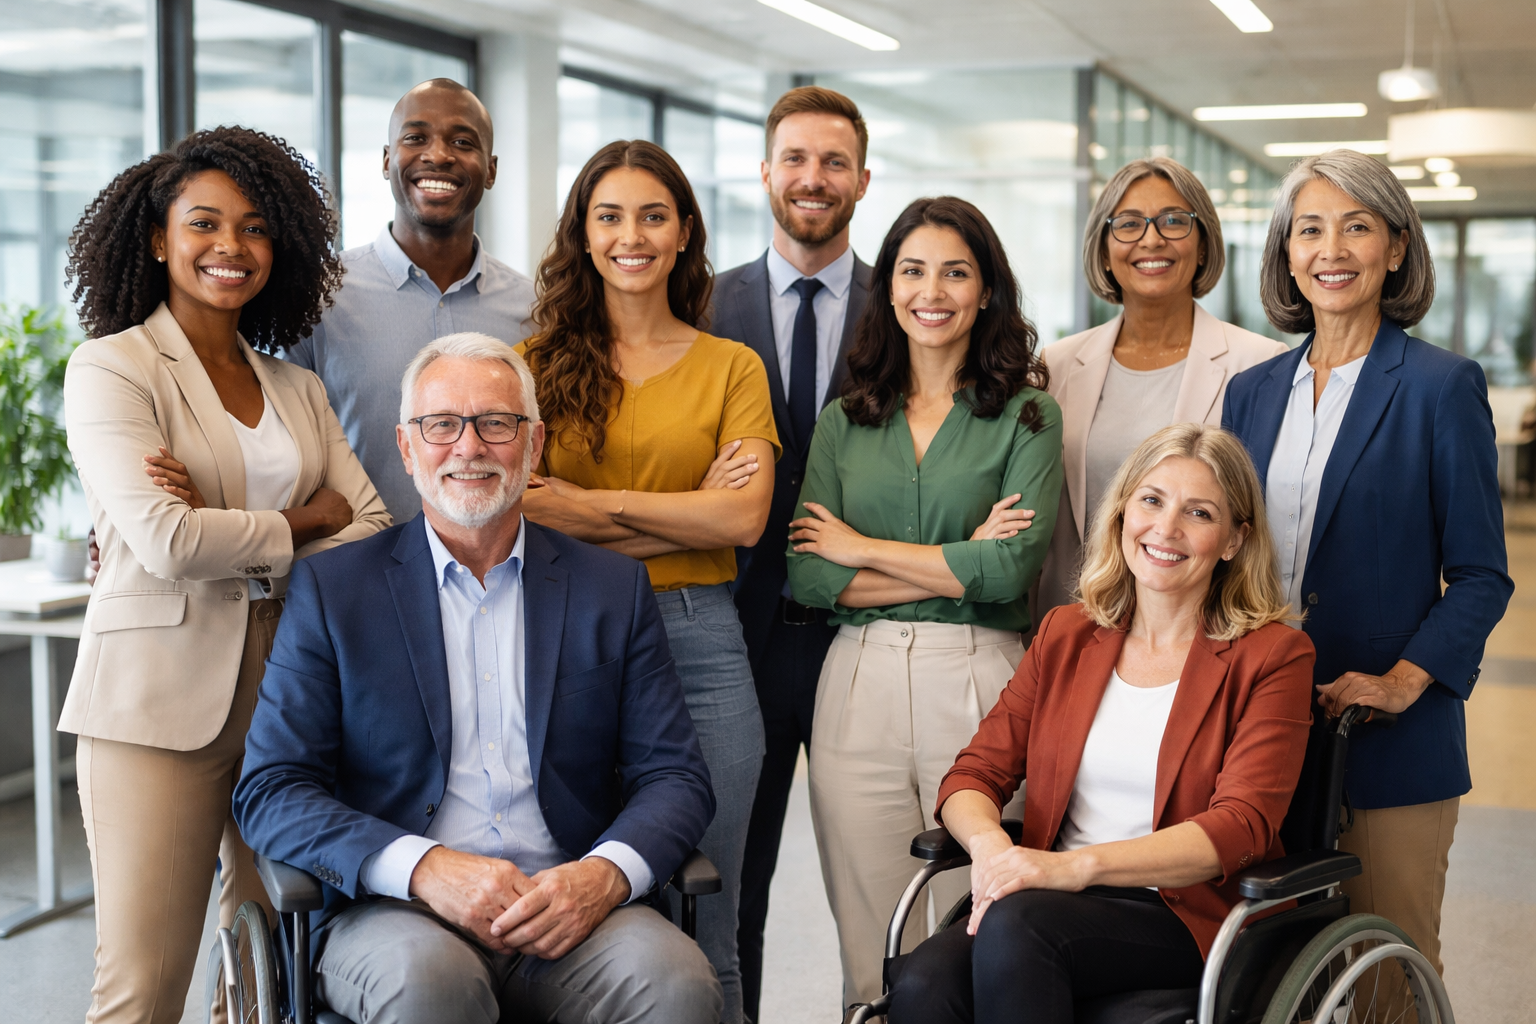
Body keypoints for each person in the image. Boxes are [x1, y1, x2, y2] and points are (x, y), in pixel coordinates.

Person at [234, 334, 722, 1024]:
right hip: (397, 911)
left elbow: (675, 776)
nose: (469, 447)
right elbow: (272, 790)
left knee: (675, 983)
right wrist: (425, 868)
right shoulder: (335, 591)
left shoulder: (611, 588)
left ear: (534, 444)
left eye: (496, 423)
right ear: (407, 447)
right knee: (430, 985)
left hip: (570, 905)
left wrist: (603, 876)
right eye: (441, 425)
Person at [61, 126, 390, 1024]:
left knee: (268, 971)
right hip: (156, 703)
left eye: (254, 227)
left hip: (291, 694)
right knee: (145, 981)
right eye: (203, 223)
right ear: (158, 238)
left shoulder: (296, 388)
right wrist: (302, 519)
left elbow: (369, 527)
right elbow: (169, 542)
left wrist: (222, 522)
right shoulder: (113, 368)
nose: (230, 246)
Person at [888, 423, 1314, 1023]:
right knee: (922, 983)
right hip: (1045, 896)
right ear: (1121, 514)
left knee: (1019, 928)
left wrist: (1069, 867)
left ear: (1234, 540)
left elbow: (1239, 826)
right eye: (1151, 500)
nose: (1166, 528)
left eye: (1199, 512)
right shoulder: (1066, 634)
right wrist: (991, 851)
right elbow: (973, 775)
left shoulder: (1273, 655)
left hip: (1182, 913)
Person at [1223, 149, 1512, 980]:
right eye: (1310, 229)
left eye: (1356, 227)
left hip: (1386, 741)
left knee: (1385, 972)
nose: (1332, 249)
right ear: (1286, 253)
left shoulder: (1440, 386)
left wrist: (1404, 680)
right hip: (1256, 728)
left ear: (1395, 247)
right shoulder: (1251, 392)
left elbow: (1482, 574)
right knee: (1265, 972)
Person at [515, 140, 778, 1024]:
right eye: (611, 216)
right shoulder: (530, 365)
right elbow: (523, 509)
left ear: (685, 232)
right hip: (564, 639)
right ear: (583, 235)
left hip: (700, 638)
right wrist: (685, 506)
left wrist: (589, 505)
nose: (632, 236)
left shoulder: (732, 366)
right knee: (581, 904)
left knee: (711, 915)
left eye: (654, 216)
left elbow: (743, 520)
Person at [786, 195, 1064, 1007]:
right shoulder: (845, 421)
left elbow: (1009, 573)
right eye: (912, 271)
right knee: (871, 930)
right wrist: (959, 557)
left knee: (979, 919)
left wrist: (862, 549)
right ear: (889, 288)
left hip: (981, 678)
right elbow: (810, 578)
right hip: (858, 682)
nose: (931, 292)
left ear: (987, 289)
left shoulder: (1029, 415)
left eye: (955, 272)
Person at [707, 84, 873, 1022]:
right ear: (766, 173)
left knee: (880, 880)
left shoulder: (907, 302)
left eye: (834, 162)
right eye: (797, 160)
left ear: (862, 179)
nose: (815, 178)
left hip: (868, 627)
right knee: (736, 884)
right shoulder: (700, 302)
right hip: (734, 633)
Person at [1036, 157, 1287, 617]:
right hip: (1076, 619)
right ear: (1104, 250)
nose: (1151, 239)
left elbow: (1267, 516)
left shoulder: (1260, 364)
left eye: (1173, 221)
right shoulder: (1057, 365)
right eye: (1129, 224)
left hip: (1203, 626)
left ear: (1204, 244)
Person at [287, 78, 536, 521]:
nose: (438, 155)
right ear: (387, 160)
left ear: (491, 170)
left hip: (498, 560)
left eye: (462, 142)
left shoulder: (533, 310)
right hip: (353, 557)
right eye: (416, 138)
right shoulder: (317, 299)